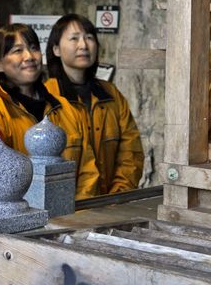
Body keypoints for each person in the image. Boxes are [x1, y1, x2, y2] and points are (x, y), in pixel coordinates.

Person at [45, 13, 144, 198]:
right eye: (74, 38)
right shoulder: (48, 99)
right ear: (56, 49)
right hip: (64, 211)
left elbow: (131, 153)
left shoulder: (111, 95)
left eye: (89, 38)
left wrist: (117, 197)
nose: (83, 45)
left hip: (110, 206)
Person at [0, 23, 84, 162]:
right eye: (18, 50)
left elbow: (87, 170)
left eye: (34, 48)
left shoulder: (64, 108)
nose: (29, 56)